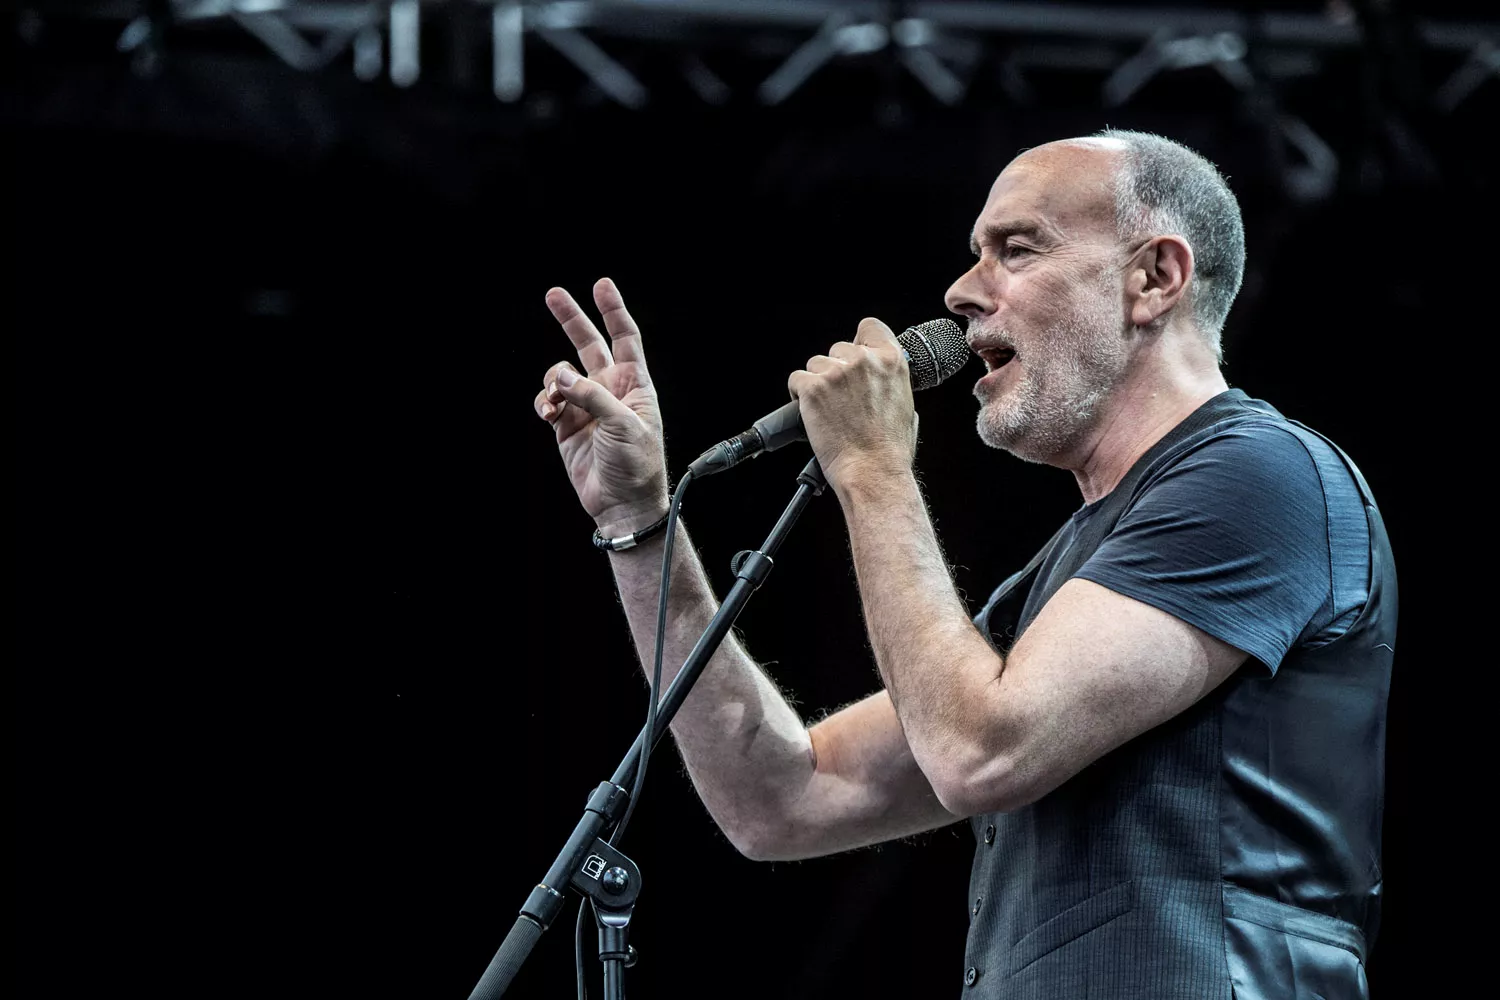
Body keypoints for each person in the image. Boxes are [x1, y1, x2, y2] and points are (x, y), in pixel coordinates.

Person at [532, 130, 1395, 999]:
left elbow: (982, 751)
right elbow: (783, 797)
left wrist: (871, 469)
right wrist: (641, 523)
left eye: (1016, 249)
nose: (961, 290)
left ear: (1154, 279)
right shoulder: (1063, 577)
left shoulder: (1259, 473)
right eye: (974, 253)